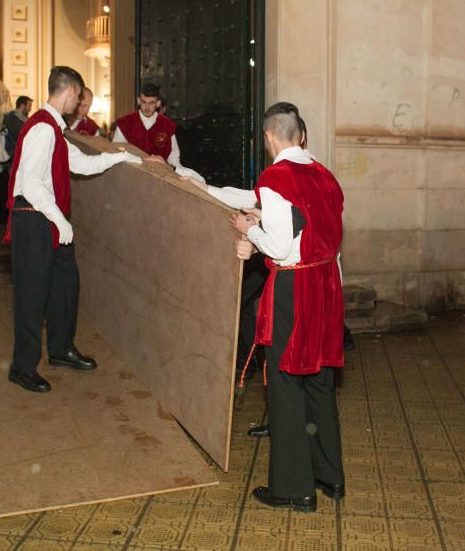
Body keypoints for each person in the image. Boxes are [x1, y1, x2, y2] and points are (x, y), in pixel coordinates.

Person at [4, 66, 153, 394]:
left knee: (65, 284)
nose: (79, 103)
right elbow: (29, 183)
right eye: (79, 96)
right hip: (34, 218)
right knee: (32, 294)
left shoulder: (54, 129)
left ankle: (60, 349)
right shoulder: (42, 129)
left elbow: (82, 164)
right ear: (70, 92)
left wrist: (120, 157)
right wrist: (59, 219)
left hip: (48, 219)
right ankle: (22, 366)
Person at [230, 102, 345, 513]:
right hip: (326, 284)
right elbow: (311, 230)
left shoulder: (275, 176)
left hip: (294, 288)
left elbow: (278, 246)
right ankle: (329, 476)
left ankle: (294, 488)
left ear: (269, 138)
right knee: (318, 382)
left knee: (284, 384)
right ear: (300, 135)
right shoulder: (323, 174)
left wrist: (251, 229)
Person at [112, 82, 204, 181]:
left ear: (158, 103)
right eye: (144, 102)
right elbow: (117, 152)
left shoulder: (167, 125)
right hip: (132, 176)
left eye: (151, 103)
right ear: (138, 101)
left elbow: (173, 155)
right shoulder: (125, 123)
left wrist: (176, 173)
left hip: (160, 178)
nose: (147, 107)